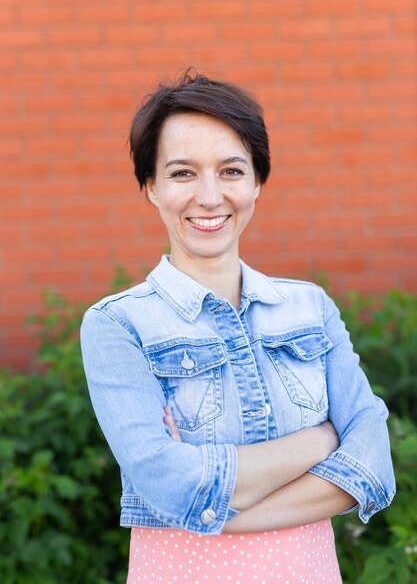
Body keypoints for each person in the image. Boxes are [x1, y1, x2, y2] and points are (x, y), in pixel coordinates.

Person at [80, 70, 395, 584]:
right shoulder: (118, 325)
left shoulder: (309, 308)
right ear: (150, 187)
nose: (209, 196)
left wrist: (225, 510)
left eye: (231, 170)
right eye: (182, 173)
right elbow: (166, 484)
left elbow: (372, 464)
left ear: (257, 183)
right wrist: (320, 442)